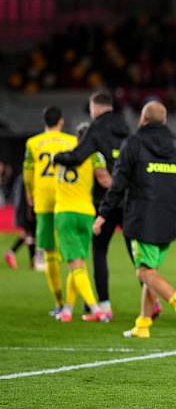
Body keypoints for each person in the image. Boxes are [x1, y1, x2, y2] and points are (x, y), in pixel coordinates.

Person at [93, 102, 176, 340]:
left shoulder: (134, 143)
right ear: (164, 121)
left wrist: (103, 214)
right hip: (168, 218)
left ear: (143, 119)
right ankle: (143, 324)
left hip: (140, 217)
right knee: (152, 271)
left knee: (145, 273)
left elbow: (118, 183)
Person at [53, 91, 131, 320]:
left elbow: (78, 163)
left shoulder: (78, 155)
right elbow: (111, 174)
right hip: (107, 206)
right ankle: (152, 301)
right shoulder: (122, 132)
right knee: (137, 254)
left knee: (84, 259)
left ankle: (98, 307)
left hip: (80, 208)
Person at [53, 123, 113, 323]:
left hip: (65, 213)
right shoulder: (95, 156)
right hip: (86, 213)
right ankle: (68, 310)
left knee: (75, 264)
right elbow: (104, 180)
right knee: (78, 264)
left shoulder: (62, 156)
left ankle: (96, 309)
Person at [23, 107, 77, 315]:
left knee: (50, 254)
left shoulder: (33, 143)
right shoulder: (72, 141)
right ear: (61, 122)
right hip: (68, 198)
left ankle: (59, 302)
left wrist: (30, 195)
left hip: (44, 201)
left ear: (44, 121)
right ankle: (82, 300)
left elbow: (27, 172)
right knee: (75, 252)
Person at [5, 174, 37, 270]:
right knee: (30, 235)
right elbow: (27, 196)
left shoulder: (23, 177)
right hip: (27, 210)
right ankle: (32, 262)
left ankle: (11, 253)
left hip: (24, 209)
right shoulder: (28, 178)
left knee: (28, 234)